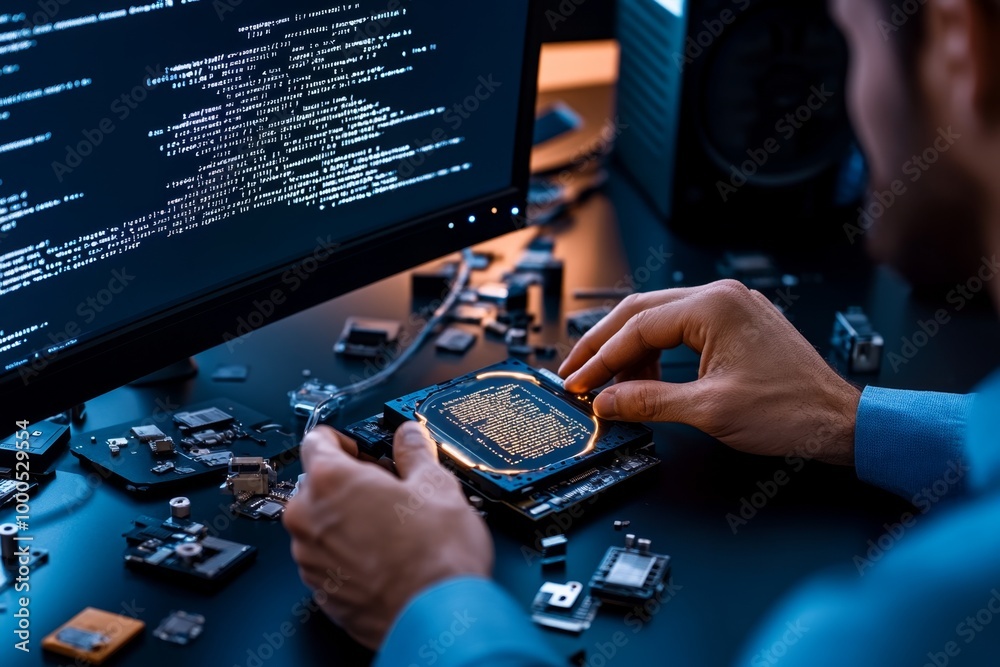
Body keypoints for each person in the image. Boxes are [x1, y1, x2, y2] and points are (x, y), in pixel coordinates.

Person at [282, 0, 1000, 664]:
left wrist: (430, 600)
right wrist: (847, 416)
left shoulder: (889, 633)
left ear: (960, 43)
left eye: (850, 39)